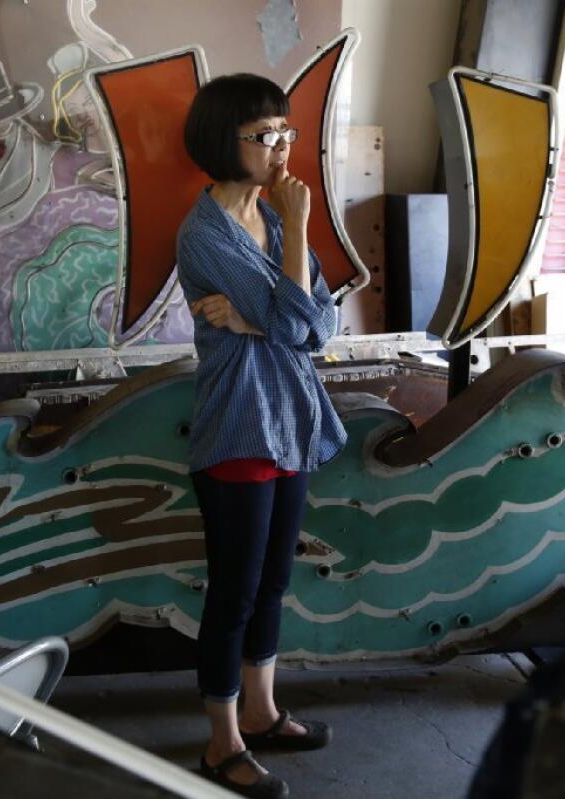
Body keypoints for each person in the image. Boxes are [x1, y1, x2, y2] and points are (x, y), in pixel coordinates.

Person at [175, 73, 348, 799]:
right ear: (226, 141)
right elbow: (293, 324)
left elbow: (323, 326)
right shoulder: (206, 232)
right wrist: (303, 232)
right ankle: (222, 744)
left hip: (293, 422)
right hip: (242, 424)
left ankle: (263, 708)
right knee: (235, 593)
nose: (280, 147)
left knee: (274, 580)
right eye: (264, 135)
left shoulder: (273, 217)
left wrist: (261, 320)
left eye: (286, 132)